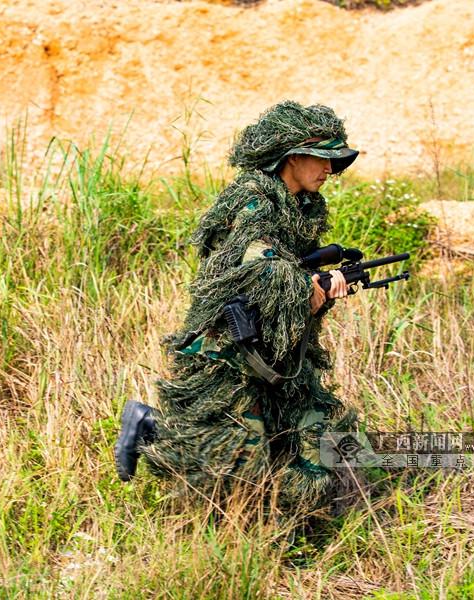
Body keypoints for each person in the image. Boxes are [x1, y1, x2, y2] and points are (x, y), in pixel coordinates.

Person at [115, 100, 360, 512]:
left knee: (320, 436)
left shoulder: (303, 207)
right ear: (293, 156)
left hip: (275, 347)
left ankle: (330, 507)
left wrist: (321, 291)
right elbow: (255, 264)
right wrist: (305, 289)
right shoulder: (252, 201)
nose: (329, 171)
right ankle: (151, 431)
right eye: (323, 159)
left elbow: (296, 269)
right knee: (231, 471)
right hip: (233, 348)